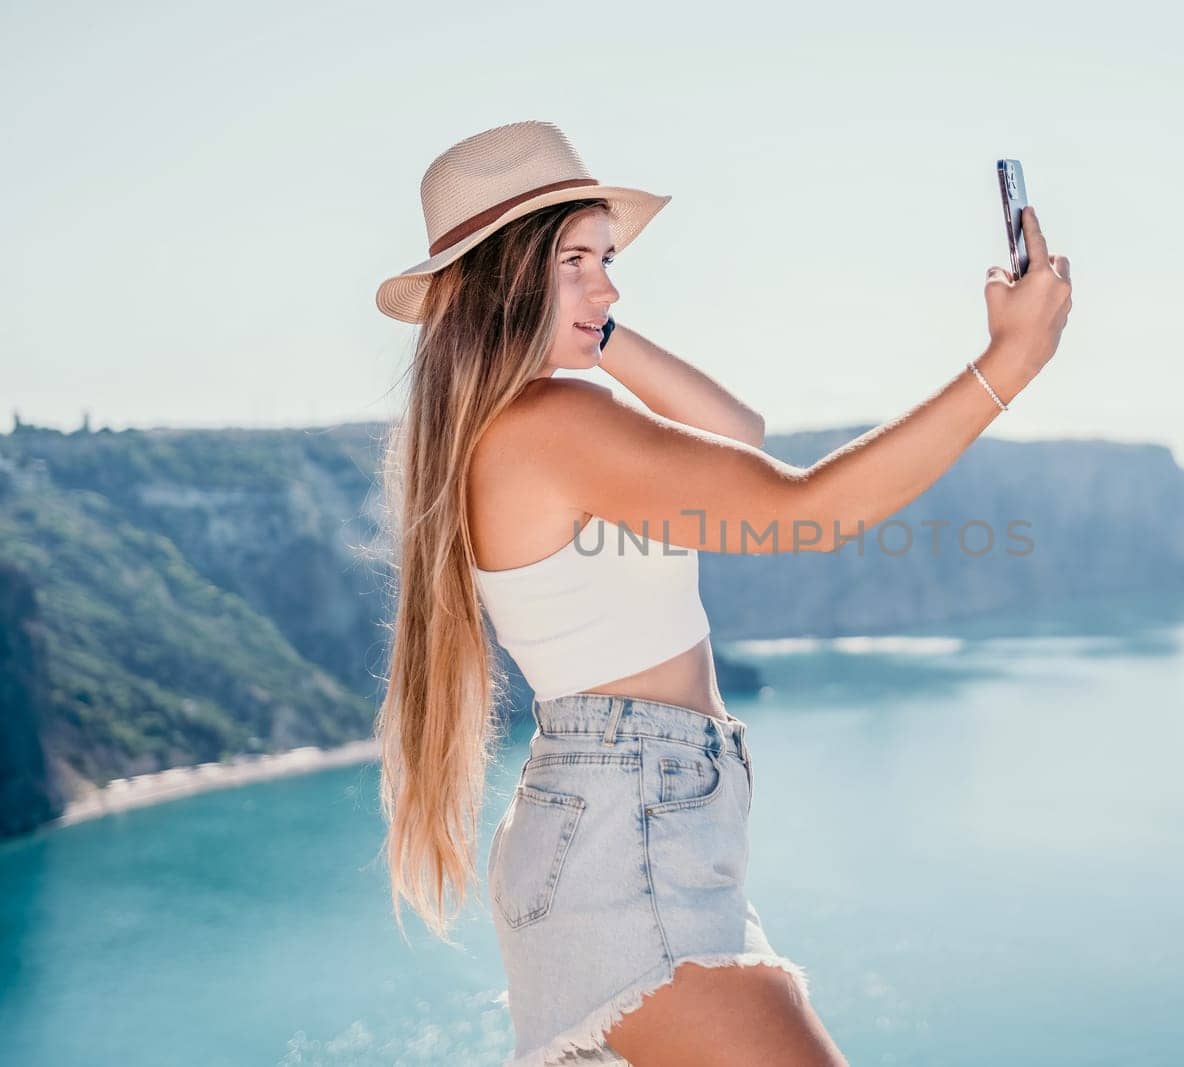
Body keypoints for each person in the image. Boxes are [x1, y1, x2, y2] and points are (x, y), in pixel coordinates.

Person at [371, 120, 1072, 1067]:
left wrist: (585, 328)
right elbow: (805, 512)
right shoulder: (555, 423)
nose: (609, 287)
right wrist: (1009, 366)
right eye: (575, 261)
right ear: (503, 277)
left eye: (607, 260)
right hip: (633, 838)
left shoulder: (516, 425)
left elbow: (736, 430)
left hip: (618, 826)